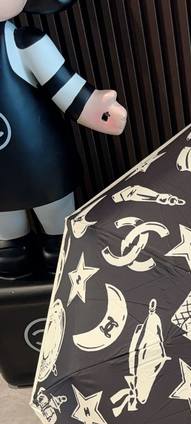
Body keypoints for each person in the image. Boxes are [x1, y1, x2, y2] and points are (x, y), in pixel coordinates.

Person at [0, 0, 127, 278]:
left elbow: (65, 87)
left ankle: (58, 242)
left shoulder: (26, 43)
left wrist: (96, 108)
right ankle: (12, 246)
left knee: (58, 230)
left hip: (40, 159)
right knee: (9, 244)